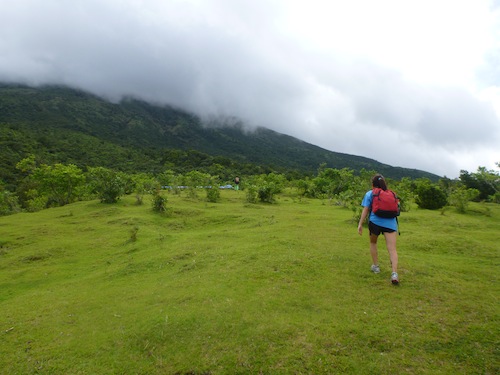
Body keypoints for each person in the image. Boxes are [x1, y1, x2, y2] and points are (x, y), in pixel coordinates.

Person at [357, 174, 399, 284]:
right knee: (392, 249)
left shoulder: (370, 193)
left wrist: (360, 224)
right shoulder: (391, 194)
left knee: (373, 243)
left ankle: (376, 266)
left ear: (372, 184)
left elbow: (365, 210)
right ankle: (394, 273)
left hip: (375, 222)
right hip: (391, 224)